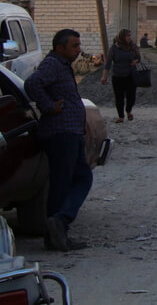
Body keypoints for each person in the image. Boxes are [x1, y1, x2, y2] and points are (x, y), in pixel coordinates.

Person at [23, 29, 92, 252]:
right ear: (60, 48)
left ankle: (55, 233)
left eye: (79, 45)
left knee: (73, 180)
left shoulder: (61, 65)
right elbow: (32, 84)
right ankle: (59, 222)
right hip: (61, 132)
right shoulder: (52, 64)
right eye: (74, 46)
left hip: (69, 131)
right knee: (71, 181)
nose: (78, 50)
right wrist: (49, 106)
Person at [100, 28, 141, 123]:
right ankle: (121, 116)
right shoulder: (114, 48)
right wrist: (104, 76)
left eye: (130, 35)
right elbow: (108, 63)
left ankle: (128, 110)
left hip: (131, 76)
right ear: (122, 37)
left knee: (131, 96)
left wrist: (135, 62)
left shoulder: (133, 47)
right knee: (119, 97)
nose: (129, 38)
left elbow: (139, 58)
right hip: (117, 76)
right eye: (127, 36)